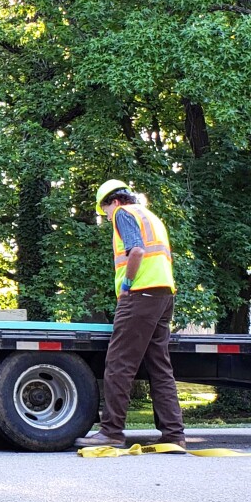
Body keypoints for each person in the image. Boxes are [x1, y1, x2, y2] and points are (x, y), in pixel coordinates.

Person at [75, 180, 186, 448]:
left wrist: (127, 285)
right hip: (163, 295)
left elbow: (136, 250)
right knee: (160, 368)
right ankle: (174, 436)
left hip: (140, 295)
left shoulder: (124, 214)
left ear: (113, 202)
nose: (107, 217)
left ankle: (111, 432)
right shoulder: (151, 216)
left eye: (105, 211)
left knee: (119, 364)